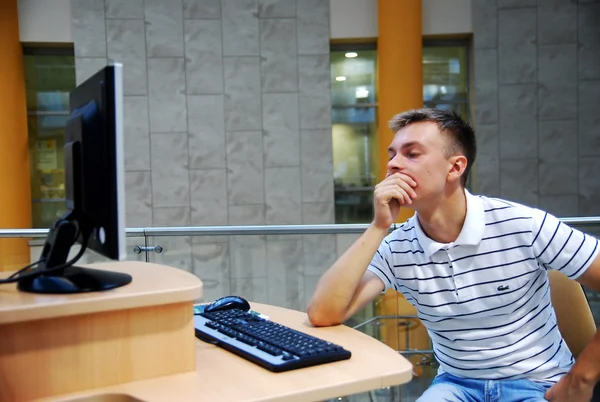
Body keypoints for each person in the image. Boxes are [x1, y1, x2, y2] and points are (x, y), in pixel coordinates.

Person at [307, 108, 600, 402]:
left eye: (412, 154)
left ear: (455, 167)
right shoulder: (398, 246)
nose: (393, 165)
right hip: (457, 385)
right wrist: (379, 226)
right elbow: (323, 314)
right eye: (392, 154)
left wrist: (581, 379)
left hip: (536, 383)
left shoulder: (522, 225)